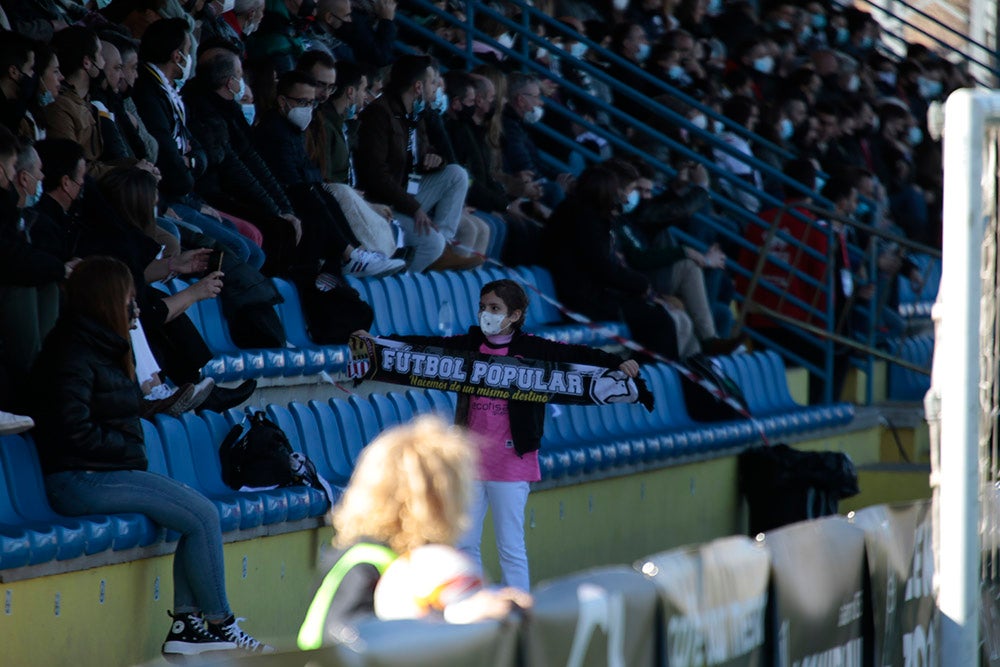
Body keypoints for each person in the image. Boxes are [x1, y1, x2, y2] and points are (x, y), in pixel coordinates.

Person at [28, 256, 272, 659]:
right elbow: (71, 432)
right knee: (203, 515)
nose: (135, 308)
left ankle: (188, 625)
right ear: (106, 299)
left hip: (102, 472)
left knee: (196, 512)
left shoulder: (99, 346)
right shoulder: (71, 353)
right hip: (80, 479)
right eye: (128, 298)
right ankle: (219, 624)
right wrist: (127, 449)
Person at [359, 280, 639, 590]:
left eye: (495, 309)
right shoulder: (468, 345)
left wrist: (616, 362)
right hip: (470, 463)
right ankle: (473, 602)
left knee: (510, 546)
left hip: (512, 463)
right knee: (464, 544)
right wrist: (377, 344)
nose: (486, 314)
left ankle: (518, 606)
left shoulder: (535, 349)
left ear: (515, 315)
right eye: (483, 307)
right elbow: (423, 348)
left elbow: (577, 354)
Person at [297, 415, 532, 649]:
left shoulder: (414, 559)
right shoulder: (364, 562)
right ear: (440, 499)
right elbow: (344, 641)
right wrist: (455, 619)